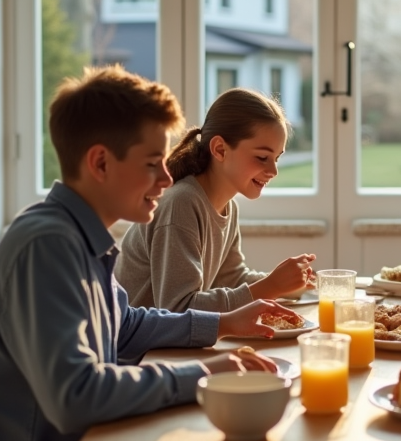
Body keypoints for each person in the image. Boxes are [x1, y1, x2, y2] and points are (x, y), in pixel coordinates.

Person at [0, 67, 321, 441]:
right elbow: (76, 395)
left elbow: (128, 322)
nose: (168, 176)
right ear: (100, 163)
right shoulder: (46, 248)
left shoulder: (78, 238)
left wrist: (222, 323)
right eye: (153, 162)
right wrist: (204, 373)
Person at [116, 87, 316, 313]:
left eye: (276, 158)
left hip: (175, 346)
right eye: (262, 157)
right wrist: (270, 287)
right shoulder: (181, 203)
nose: (273, 170)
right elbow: (178, 308)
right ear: (220, 149)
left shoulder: (227, 205)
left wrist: (287, 284)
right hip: (144, 348)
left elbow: (230, 278)